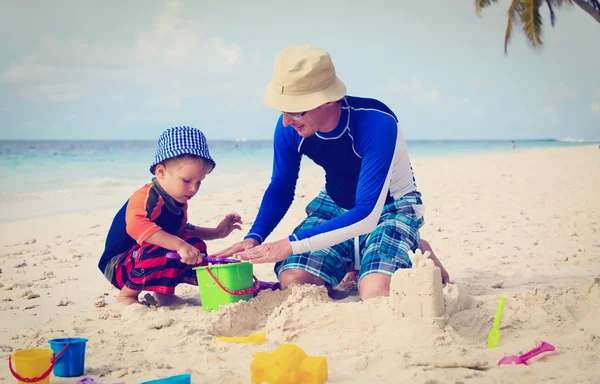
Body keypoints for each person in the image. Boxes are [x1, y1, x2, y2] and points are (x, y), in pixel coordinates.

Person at [215, 44, 449, 300]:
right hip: (336, 203)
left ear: (327, 100)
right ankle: (355, 257)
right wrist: (254, 237)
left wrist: (289, 244)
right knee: (294, 281)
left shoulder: (376, 123)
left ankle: (411, 246)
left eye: (294, 110)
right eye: (282, 110)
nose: (285, 122)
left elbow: (367, 214)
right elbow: (281, 189)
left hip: (389, 207)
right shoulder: (290, 127)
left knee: (376, 291)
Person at [98, 126, 242, 306]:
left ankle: (163, 293)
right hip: (119, 265)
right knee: (169, 248)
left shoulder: (178, 202)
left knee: (195, 246)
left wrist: (216, 233)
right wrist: (179, 245)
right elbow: (136, 226)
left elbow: (183, 231)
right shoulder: (146, 196)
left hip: (144, 260)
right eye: (187, 180)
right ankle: (127, 296)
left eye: (199, 182)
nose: (194, 188)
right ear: (161, 172)